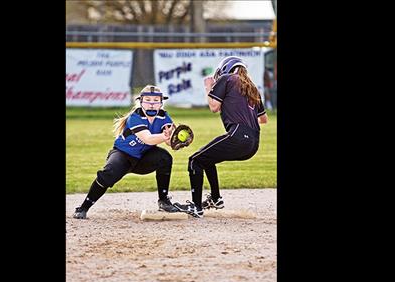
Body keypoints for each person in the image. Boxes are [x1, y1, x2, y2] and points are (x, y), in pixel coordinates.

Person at [172, 56, 269, 218]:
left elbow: (214, 106)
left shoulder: (227, 78)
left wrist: (208, 87)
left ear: (225, 68)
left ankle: (196, 208)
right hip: (253, 142)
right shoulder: (252, 87)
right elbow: (263, 119)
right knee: (207, 158)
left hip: (238, 135)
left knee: (194, 160)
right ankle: (216, 199)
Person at [73, 85, 180, 219]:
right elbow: (148, 139)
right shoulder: (135, 117)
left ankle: (163, 201)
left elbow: (170, 142)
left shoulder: (164, 117)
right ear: (141, 102)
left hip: (144, 159)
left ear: (161, 103)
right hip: (123, 155)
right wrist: (165, 137)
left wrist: (176, 141)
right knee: (107, 175)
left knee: (165, 158)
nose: (152, 104)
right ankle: (83, 207)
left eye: (155, 100)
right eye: (147, 100)